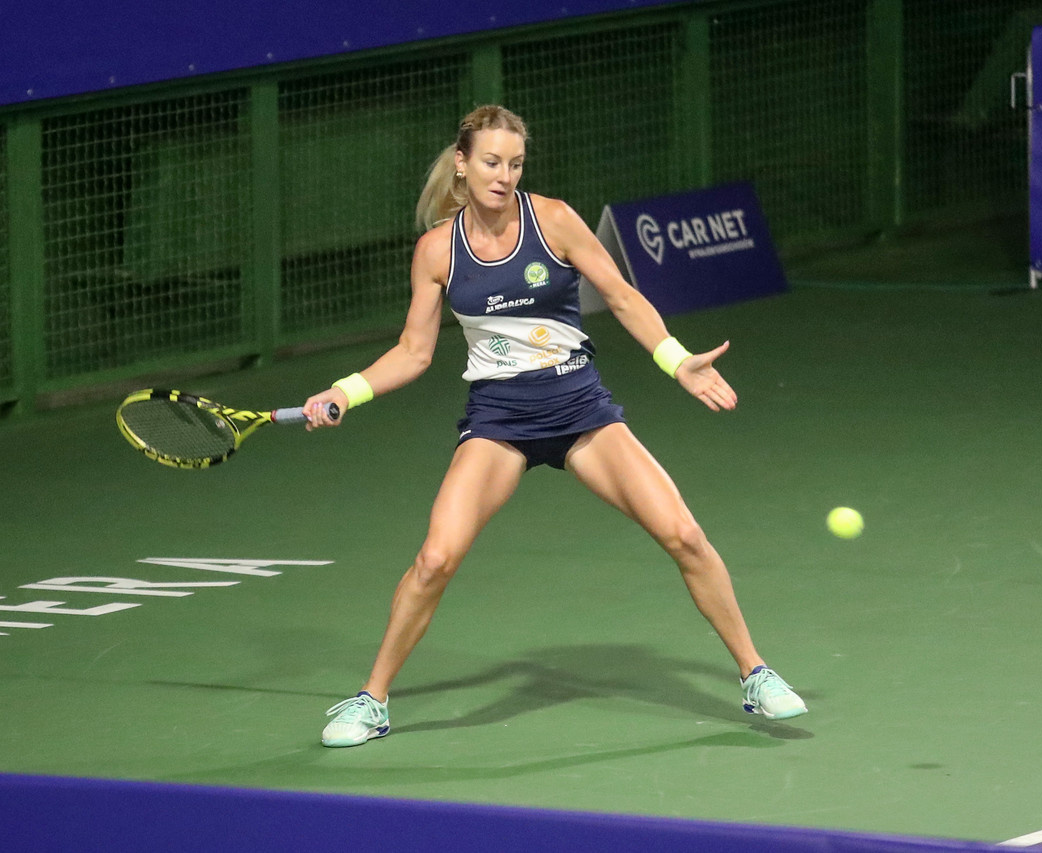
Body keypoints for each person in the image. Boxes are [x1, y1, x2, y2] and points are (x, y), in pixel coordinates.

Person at [304, 104, 806, 748]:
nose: (504, 176)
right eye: (491, 162)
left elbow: (621, 295)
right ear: (462, 164)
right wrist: (346, 391)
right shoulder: (437, 251)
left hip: (579, 410)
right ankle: (371, 700)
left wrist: (676, 360)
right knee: (434, 559)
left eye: (515, 164)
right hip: (499, 420)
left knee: (683, 535)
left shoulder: (555, 221)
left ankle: (755, 674)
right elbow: (413, 351)